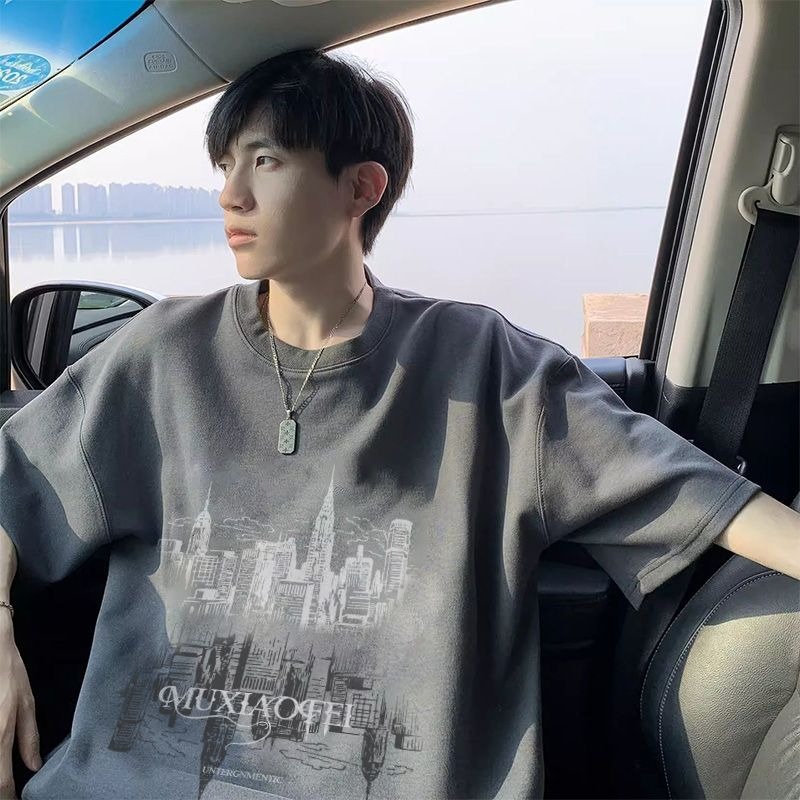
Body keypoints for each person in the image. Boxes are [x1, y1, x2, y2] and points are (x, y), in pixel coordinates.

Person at [0, 47, 797, 800]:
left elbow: (696, 495)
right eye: (225, 165)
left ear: (361, 188)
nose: (230, 194)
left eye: (265, 161)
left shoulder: (486, 368)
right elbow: (15, 488)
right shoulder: (161, 353)